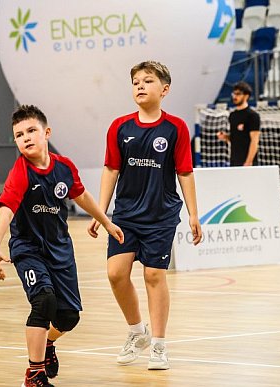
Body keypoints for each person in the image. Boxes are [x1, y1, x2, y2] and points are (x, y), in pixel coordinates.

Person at [0, 105, 124, 387]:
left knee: (68, 317)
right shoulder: (20, 173)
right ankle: (34, 374)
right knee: (44, 301)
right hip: (28, 250)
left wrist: (106, 221)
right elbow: (6, 213)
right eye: (19, 135)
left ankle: (48, 343)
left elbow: (82, 195)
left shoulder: (64, 167)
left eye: (31, 131)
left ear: (46, 133)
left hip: (60, 250)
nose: (25, 137)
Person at [88, 61, 203, 371]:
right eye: (135, 81)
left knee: (153, 275)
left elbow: (185, 172)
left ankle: (160, 345)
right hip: (125, 215)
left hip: (161, 215)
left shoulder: (175, 127)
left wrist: (194, 214)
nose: (139, 86)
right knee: (116, 273)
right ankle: (138, 332)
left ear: (164, 90)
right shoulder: (119, 127)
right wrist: (100, 212)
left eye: (147, 81)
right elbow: (111, 168)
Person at [217, 81, 261, 166]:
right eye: (234, 94)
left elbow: (254, 141)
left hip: (248, 162)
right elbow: (235, 138)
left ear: (246, 96)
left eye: (238, 94)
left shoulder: (252, 116)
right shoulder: (232, 115)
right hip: (234, 160)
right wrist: (225, 137)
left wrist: (248, 162)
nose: (235, 96)